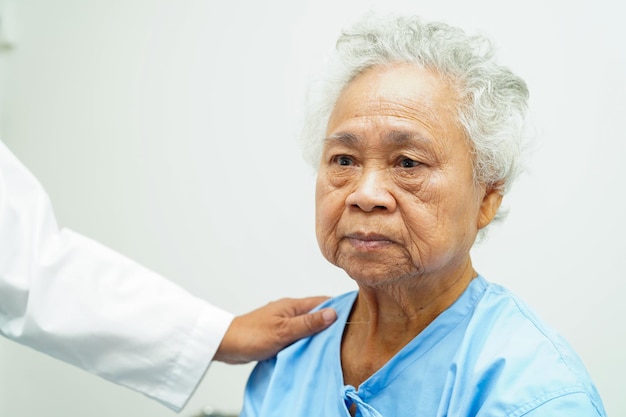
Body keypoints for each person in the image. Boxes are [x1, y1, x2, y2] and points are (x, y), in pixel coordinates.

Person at [240, 14, 607, 417]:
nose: (365, 194)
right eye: (343, 159)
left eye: (408, 163)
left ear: (487, 197)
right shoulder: (288, 357)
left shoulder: (536, 395)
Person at [0, 139, 337, 412]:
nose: (366, 196)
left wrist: (217, 334)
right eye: (344, 160)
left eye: (394, 161)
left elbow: (26, 258)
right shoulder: (286, 373)